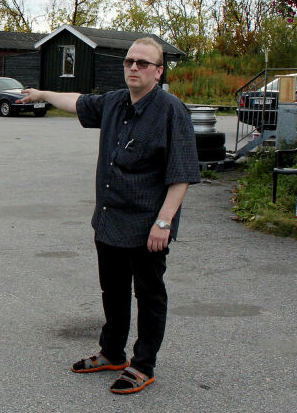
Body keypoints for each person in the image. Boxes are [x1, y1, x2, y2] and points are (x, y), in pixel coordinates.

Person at [17, 37, 200, 395]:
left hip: (148, 226)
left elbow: (182, 173)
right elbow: (78, 102)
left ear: (159, 71)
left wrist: (163, 222)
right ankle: (112, 353)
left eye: (143, 63)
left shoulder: (170, 110)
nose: (134, 67)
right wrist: (41, 93)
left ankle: (143, 364)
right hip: (109, 221)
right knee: (112, 291)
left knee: (149, 296)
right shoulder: (116, 102)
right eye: (130, 61)